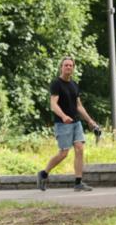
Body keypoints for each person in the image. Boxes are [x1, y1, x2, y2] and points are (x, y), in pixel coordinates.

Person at [37, 56, 102, 192]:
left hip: (76, 122)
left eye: (70, 65)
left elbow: (79, 106)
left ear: (73, 68)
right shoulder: (56, 83)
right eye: (66, 65)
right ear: (61, 67)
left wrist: (90, 121)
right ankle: (43, 174)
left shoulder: (74, 85)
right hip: (62, 123)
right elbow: (53, 104)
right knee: (63, 153)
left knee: (80, 149)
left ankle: (78, 182)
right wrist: (63, 116)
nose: (68, 67)